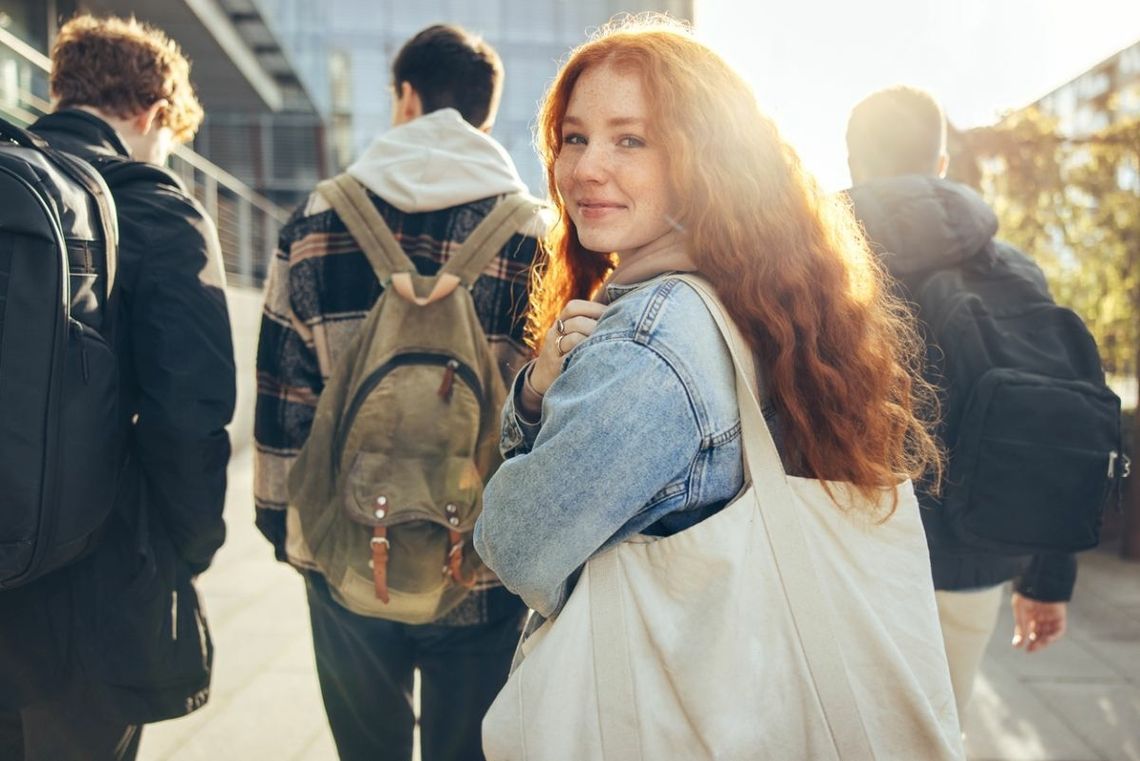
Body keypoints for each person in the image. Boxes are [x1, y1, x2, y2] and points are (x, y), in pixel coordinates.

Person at [473, 15, 959, 758]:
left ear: (704, 159)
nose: (585, 168)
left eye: (630, 139)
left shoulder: (652, 338)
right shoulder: (753, 294)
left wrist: (529, 403)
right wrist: (544, 390)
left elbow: (516, 543)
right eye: (574, 137)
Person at [253, 24, 542, 761]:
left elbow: (281, 389)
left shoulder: (319, 217)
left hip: (347, 547)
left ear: (407, 98)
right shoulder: (532, 232)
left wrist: (284, 522)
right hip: (476, 558)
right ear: (483, 111)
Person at [0, 14, 235, 761]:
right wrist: (187, 549)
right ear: (155, 113)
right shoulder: (161, 211)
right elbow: (190, 415)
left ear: (61, 91)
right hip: (88, 585)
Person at [845, 85, 1075, 719]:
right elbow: (1056, 417)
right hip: (975, 553)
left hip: (843, 552)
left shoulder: (813, 263)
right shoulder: (1016, 269)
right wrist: (1046, 577)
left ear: (854, 165)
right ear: (940, 166)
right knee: (941, 732)